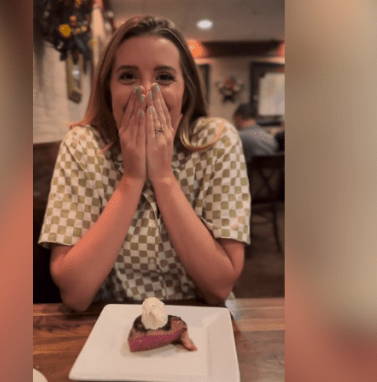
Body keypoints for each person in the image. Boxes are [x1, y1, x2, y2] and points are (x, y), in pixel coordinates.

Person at [38, 15, 250, 312]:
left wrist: (163, 177)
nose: (147, 92)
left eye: (164, 77)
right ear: (108, 88)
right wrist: (132, 178)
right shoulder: (82, 146)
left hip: (200, 326)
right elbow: (75, 294)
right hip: (110, 330)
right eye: (128, 77)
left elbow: (218, 288)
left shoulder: (217, 140)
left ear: (186, 89)